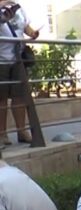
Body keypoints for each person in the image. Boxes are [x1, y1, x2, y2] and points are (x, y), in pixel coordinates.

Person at [0, 2, 38, 144]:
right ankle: (2, 134)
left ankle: (22, 131)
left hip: (18, 58)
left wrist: (33, 33)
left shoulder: (18, 8)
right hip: (1, 59)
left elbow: (25, 26)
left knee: (19, 97)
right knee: (1, 98)